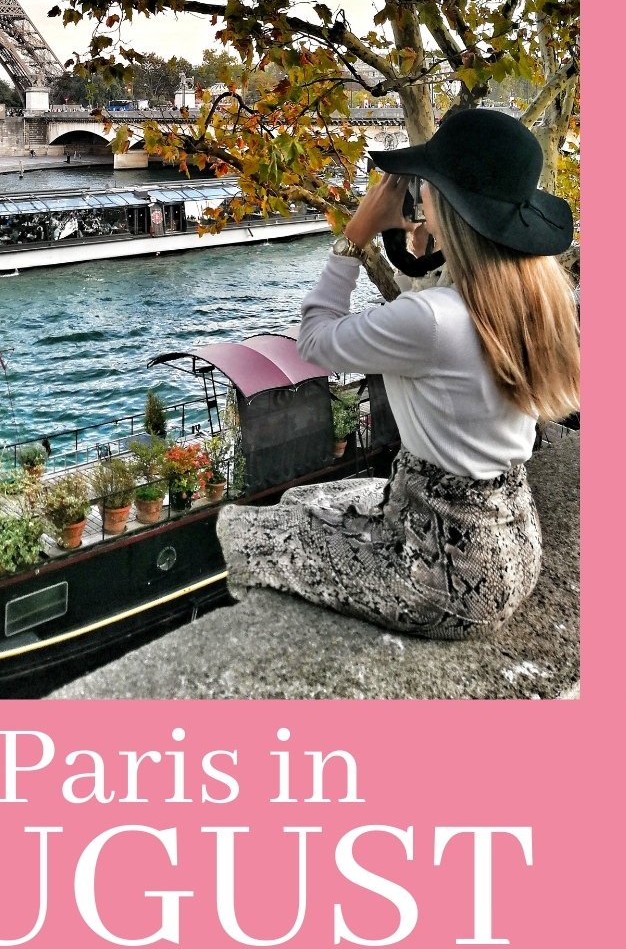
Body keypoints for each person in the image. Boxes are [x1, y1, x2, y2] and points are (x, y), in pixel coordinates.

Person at [217, 108, 579, 640]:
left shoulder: (432, 318)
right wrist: (425, 254)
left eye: (425, 188)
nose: (418, 198)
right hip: (510, 540)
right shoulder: (537, 294)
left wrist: (356, 233)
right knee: (306, 500)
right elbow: (441, 339)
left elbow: (314, 341)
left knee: (250, 530)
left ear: (444, 207)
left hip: (444, 578)